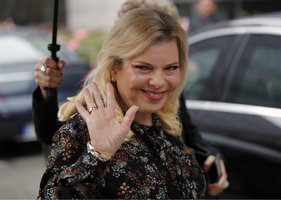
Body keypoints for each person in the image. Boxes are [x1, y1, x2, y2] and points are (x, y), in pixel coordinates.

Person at [33, 0, 228, 197]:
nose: (158, 82)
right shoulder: (86, 128)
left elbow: (194, 148)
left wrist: (209, 172)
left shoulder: (167, 121)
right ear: (113, 68)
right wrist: (97, 155)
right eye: (143, 67)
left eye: (170, 68)